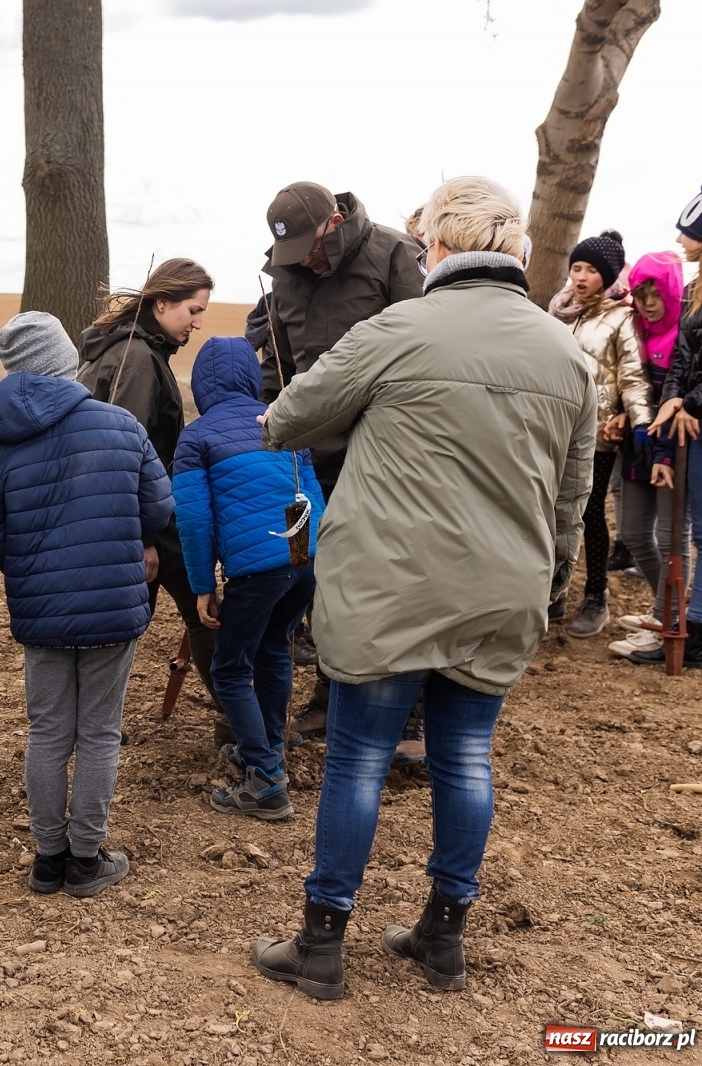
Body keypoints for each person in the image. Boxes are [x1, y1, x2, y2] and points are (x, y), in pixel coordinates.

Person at [249, 177, 595, 1000]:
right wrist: (550, 586)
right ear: (515, 253)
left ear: (435, 248)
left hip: (390, 584)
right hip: (503, 587)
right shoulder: (566, 354)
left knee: (359, 759)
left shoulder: (398, 331)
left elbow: (285, 418)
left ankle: (322, 945)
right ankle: (444, 936)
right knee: (465, 756)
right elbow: (572, 498)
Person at [0, 312, 172, 898]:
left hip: (42, 610)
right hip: (114, 603)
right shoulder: (120, 425)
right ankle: (86, 859)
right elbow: (159, 509)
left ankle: (47, 858)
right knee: (100, 733)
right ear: (66, 361)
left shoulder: (4, 445)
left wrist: (34, 571)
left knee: (48, 732)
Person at [255, 182, 425, 751]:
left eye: (308, 246)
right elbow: (276, 363)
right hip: (307, 463)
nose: (302, 261)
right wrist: (270, 424)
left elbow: (426, 353)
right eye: (290, 253)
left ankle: (409, 711)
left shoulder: (395, 256)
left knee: (389, 582)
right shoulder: (284, 276)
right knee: (314, 580)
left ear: (334, 221)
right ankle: (329, 695)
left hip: (385, 458)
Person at [171, 336, 324, 821]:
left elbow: (193, 522)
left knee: (231, 667)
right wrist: (297, 560)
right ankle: (269, 750)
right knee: (275, 648)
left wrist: (201, 587)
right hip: (304, 562)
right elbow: (312, 499)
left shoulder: (197, 437)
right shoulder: (281, 421)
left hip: (256, 571)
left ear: (200, 384)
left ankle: (264, 781)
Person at [76, 259, 219, 710]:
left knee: (126, 619)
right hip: (148, 517)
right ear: (161, 303)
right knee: (205, 612)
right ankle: (242, 720)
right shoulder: (136, 359)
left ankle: (93, 722)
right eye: (192, 311)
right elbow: (124, 457)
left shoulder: (130, 350)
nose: (198, 323)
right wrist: (143, 538)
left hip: (139, 513)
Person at [546, 232, 650, 638]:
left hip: (600, 432)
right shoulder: (559, 313)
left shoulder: (620, 317)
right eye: (576, 268)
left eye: (591, 270)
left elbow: (633, 374)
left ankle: (595, 596)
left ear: (606, 276)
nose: (581, 276)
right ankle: (554, 592)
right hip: (557, 425)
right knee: (553, 509)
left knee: (588, 513)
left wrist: (636, 420)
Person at [644, 181, 702, 668]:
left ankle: (698, 635)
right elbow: (681, 362)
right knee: (700, 535)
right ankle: (686, 628)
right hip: (692, 428)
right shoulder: (693, 291)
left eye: (689, 231)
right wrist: (672, 404)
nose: (679, 238)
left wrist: (691, 403)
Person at [607, 252, 685, 660]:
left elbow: (681, 395)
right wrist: (622, 412)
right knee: (635, 533)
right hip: (637, 444)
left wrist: (667, 452)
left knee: (672, 537)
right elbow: (628, 381)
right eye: (642, 294)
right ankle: (667, 608)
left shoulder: (686, 333)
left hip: (676, 446)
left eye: (656, 294)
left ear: (672, 293)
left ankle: (667, 622)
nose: (649, 302)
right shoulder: (634, 328)